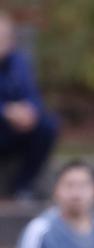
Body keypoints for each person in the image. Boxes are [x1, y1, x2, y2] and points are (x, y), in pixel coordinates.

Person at [0, 11, 58, 202]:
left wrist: (30, 112)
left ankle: (22, 187)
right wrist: (6, 111)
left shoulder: (20, 62)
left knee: (47, 126)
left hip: (13, 131)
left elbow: (33, 96)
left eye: (6, 36)